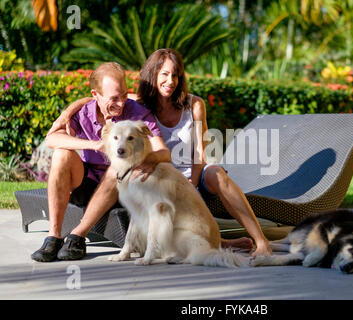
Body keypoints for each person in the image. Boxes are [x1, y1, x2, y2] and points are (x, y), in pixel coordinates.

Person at [49, 49, 272, 256]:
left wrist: (192, 185)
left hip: (191, 176)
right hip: (160, 176)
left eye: (175, 75)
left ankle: (261, 241)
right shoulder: (141, 104)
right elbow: (101, 98)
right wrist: (68, 112)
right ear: (153, 74)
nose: (170, 81)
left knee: (217, 174)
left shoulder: (194, 105)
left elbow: (198, 153)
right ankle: (221, 242)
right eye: (164, 74)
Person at [31, 62, 170, 262]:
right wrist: (94, 145)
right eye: (114, 98)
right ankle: (53, 237)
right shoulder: (84, 112)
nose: (121, 103)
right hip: (88, 183)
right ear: (95, 95)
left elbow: (163, 152)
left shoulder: (137, 113)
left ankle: (77, 235)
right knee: (62, 154)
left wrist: (148, 160)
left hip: (122, 190)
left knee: (117, 169)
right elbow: (52, 139)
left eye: (124, 95)